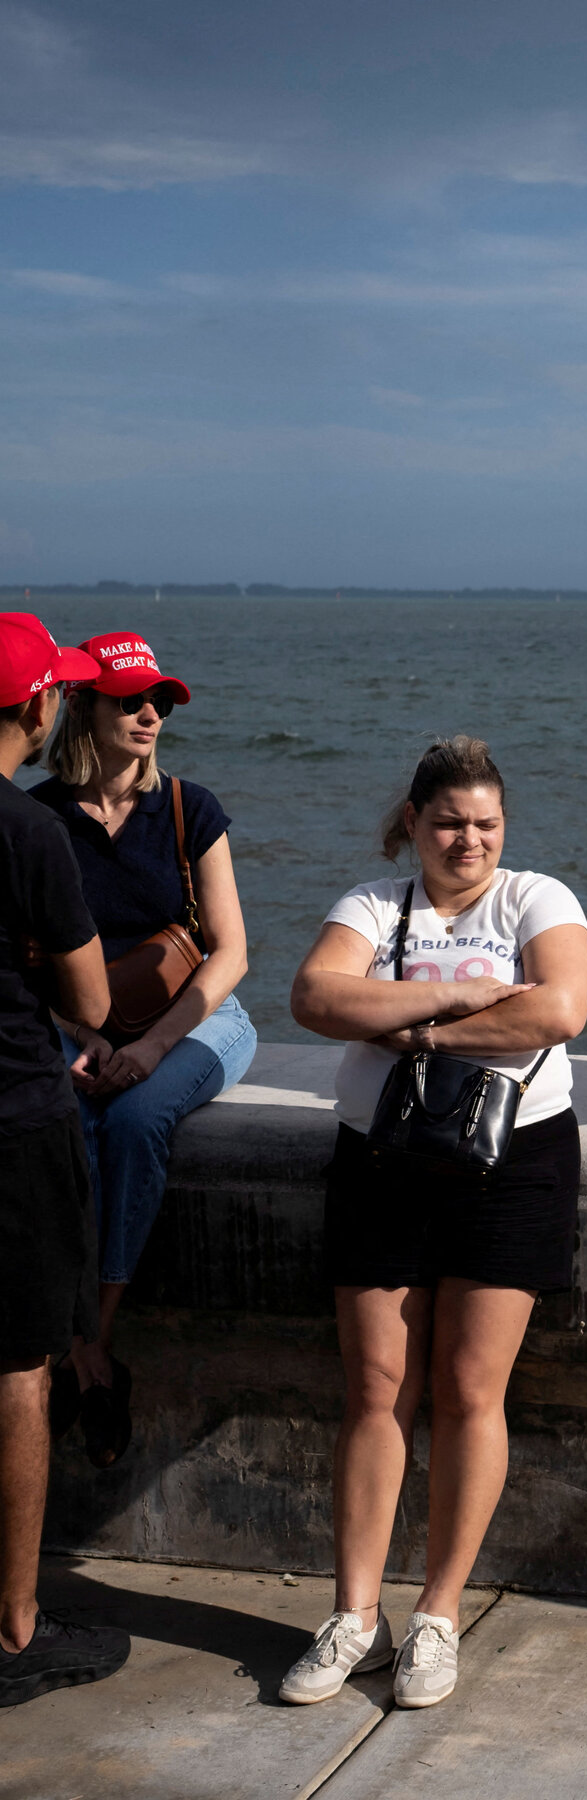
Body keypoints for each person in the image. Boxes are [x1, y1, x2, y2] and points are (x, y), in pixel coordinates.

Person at [283, 736, 587, 1711]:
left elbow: (559, 1011)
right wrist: (454, 999)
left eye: (486, 824)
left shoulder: (537, 899)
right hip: (382, 1163)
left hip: (516, 1165)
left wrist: (398, 1024)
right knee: (376, 1388)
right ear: (414, 822)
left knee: (467, 1388)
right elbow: (315, 996)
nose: (469, 840)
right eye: (450, 822)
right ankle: (354, 1616)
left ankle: (438, 1615)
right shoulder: (373, 907)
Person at [30, 633, 256, 1468]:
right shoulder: (43, 818)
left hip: (200, 1018)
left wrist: (157, 1046)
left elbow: (232, 952)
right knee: (69, 1127)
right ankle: (92, 1365)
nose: (150, 714)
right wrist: (80, 1035)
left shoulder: (191, 808)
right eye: (130, 700)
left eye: (159, 700)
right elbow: (25, 960)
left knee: (136, 1119)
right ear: (83, 706)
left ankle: (90, 1344)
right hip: (79, 1025)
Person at [0, 615, 131, 1707]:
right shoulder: (28, 832)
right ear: (39, 707)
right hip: (11, 1127)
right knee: (18, 1367)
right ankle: (13, 1628)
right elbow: (90, 1001)